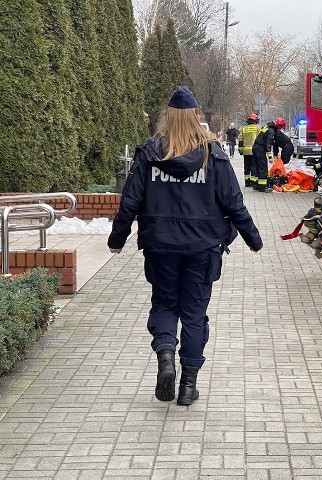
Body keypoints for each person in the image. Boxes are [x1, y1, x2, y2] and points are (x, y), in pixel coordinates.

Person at [107, 86, 263, 405]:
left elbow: (130, 201)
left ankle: (166, 355)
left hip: (160, 246)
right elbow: (234, 203)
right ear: (196, 117)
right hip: (202, 248)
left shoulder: (150, 152)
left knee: (165, 305)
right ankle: (188, 385)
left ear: (168, 118)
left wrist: (117, 239)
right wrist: (253, 239)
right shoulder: (213, 154)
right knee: (194, 314)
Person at [252, 117, 292, 192]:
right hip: (260, 149)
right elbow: (268, 144)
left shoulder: (267, 127)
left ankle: (257, 185)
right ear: (278, 126)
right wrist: (270, 157)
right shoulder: (271, 131)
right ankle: (262, 187)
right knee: (263, 167)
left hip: (255, 147)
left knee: (257, 167)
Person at [238, 113, 260, 187]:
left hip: (246, 151)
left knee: (246, 166)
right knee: (254, 166)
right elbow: (260, 139)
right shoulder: (257, 128)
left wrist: (240, 150)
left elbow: (240, 140)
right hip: (255, 151)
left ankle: (247, 182)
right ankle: (253, 182)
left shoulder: (244, 128)